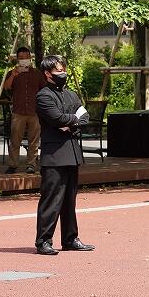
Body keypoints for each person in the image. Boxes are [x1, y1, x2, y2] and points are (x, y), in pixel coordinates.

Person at [34, 55, 94, 255]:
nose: (62, 74)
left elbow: (84, 117)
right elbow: (56, 118)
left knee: (70, 200)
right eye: (58, 71)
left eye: (63, 69)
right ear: (47, 74)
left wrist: (69, 123)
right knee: (51, 199)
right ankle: (43, 241)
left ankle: (70, 238)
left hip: (72, 153)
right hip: (54, 155)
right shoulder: (44, 96)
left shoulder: (71, 95)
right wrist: (69, 120)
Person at [4, 47, 46, 174]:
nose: (24, 60)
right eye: (21, 58)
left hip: (34, 111)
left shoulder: (37, 73)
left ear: (30, 58)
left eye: (26, 57)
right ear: (17, 59)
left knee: (34, 140)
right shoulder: (12, 73)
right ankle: (13, 164)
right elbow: (6, 87)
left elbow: (44, 89)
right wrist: (14, 75)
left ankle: (31, 164)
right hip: (18, 111)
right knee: (15, 139)